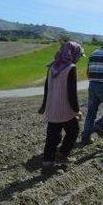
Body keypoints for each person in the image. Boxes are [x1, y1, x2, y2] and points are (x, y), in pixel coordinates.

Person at [38, 41, 85, 172]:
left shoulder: (52, 66)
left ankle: (48, 162)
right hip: (65, 109)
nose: (79, 58)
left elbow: (47, 88)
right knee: (73, 131)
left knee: (52, 135)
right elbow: (72, 92)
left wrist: (44, 106)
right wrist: (77, 111)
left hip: (52, 107)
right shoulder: (71, 68)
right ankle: (62, 155)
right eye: (78, 55)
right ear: (73, 53)